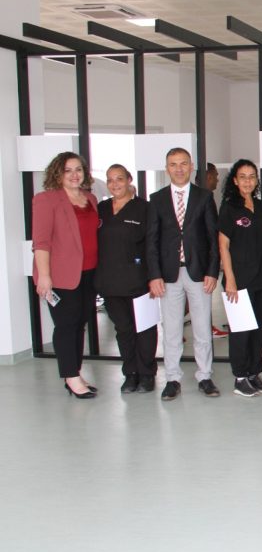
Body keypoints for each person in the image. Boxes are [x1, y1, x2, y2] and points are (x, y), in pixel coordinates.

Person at [147, 147, 220, 401]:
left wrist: (213, 271)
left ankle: (205, 376)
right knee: (171, 330)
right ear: (167, 168)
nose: (179, 169)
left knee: (202, 329)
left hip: (199, 272)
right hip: (168, 275)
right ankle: (172, 379)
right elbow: (152, 240)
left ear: (191, 167)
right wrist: (154, 275)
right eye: (173, 164)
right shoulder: (157, 199)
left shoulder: (204, 197)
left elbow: (213, 238)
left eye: (183, 163)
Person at [32, 151, 99, 398]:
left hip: (89, 273)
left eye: (78, 169)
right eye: (68, 170)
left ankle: (75, 372)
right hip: (60, 276)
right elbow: (41, 242)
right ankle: (70, 377)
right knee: (66, 325)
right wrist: (44, 276)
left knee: (80, 323)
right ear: (57, 173)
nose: (74, 175)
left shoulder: (90, 198)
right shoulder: (46, 200)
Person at [95, 164, 157, 394]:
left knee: (145, 329)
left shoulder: (145, 209)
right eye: (110, 180)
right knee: (123, 329)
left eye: (119, 178)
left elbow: (153, 245)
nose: (115, 184)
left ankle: (147, 374)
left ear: (129, 179)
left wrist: (154, 277)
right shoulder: (101, 209)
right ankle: (130, 373)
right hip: (110, 281)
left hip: (139, 280)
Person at [218, 159, 262, 397]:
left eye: (252, 176)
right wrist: (229, 279)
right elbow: (223, 245)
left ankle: (253, 373)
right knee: (241, 331)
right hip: (238, 280)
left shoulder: (260, 206)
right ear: (235, 180)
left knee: (257, 329)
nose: (248, 181)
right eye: (243, 177)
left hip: (260, 279)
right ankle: (240, 377)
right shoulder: (229, 207)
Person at [205, 162, 229, 339]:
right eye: (215, 175)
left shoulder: (208, 197)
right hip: (202, 258)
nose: (217, 179)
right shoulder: (203, 198)